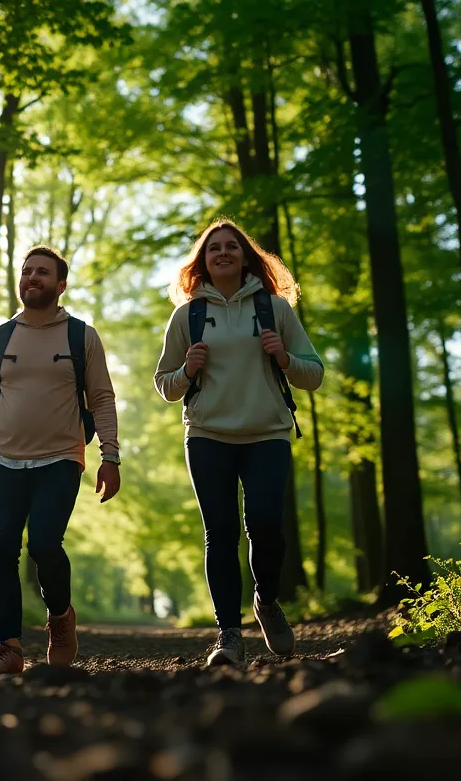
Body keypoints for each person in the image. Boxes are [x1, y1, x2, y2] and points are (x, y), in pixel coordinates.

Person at [154, 219, 324, 666]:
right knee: (221, 533)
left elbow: (314, 374)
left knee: (267, 524)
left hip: (267, 433)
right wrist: (188, 369)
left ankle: (265, 602)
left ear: (246, 256)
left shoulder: (274, 309)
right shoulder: (187, 315)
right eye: (215, 249)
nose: (224, 253)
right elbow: (166, 386)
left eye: (232, 246)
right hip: (208, 435)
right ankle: (228, 635)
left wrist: (284, 357)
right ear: (203, 261)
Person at [0, 245, 122, 674]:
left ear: (60, 285)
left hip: (61, 457)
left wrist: (110, 456)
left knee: (44, 543)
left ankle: (60, 618)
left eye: (42, 273)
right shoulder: (0, 337)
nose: (32, 278)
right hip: (3, 459)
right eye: (27, 272)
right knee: (1, 549)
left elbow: (101, 398)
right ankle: (8, 649)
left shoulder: (81, 336)